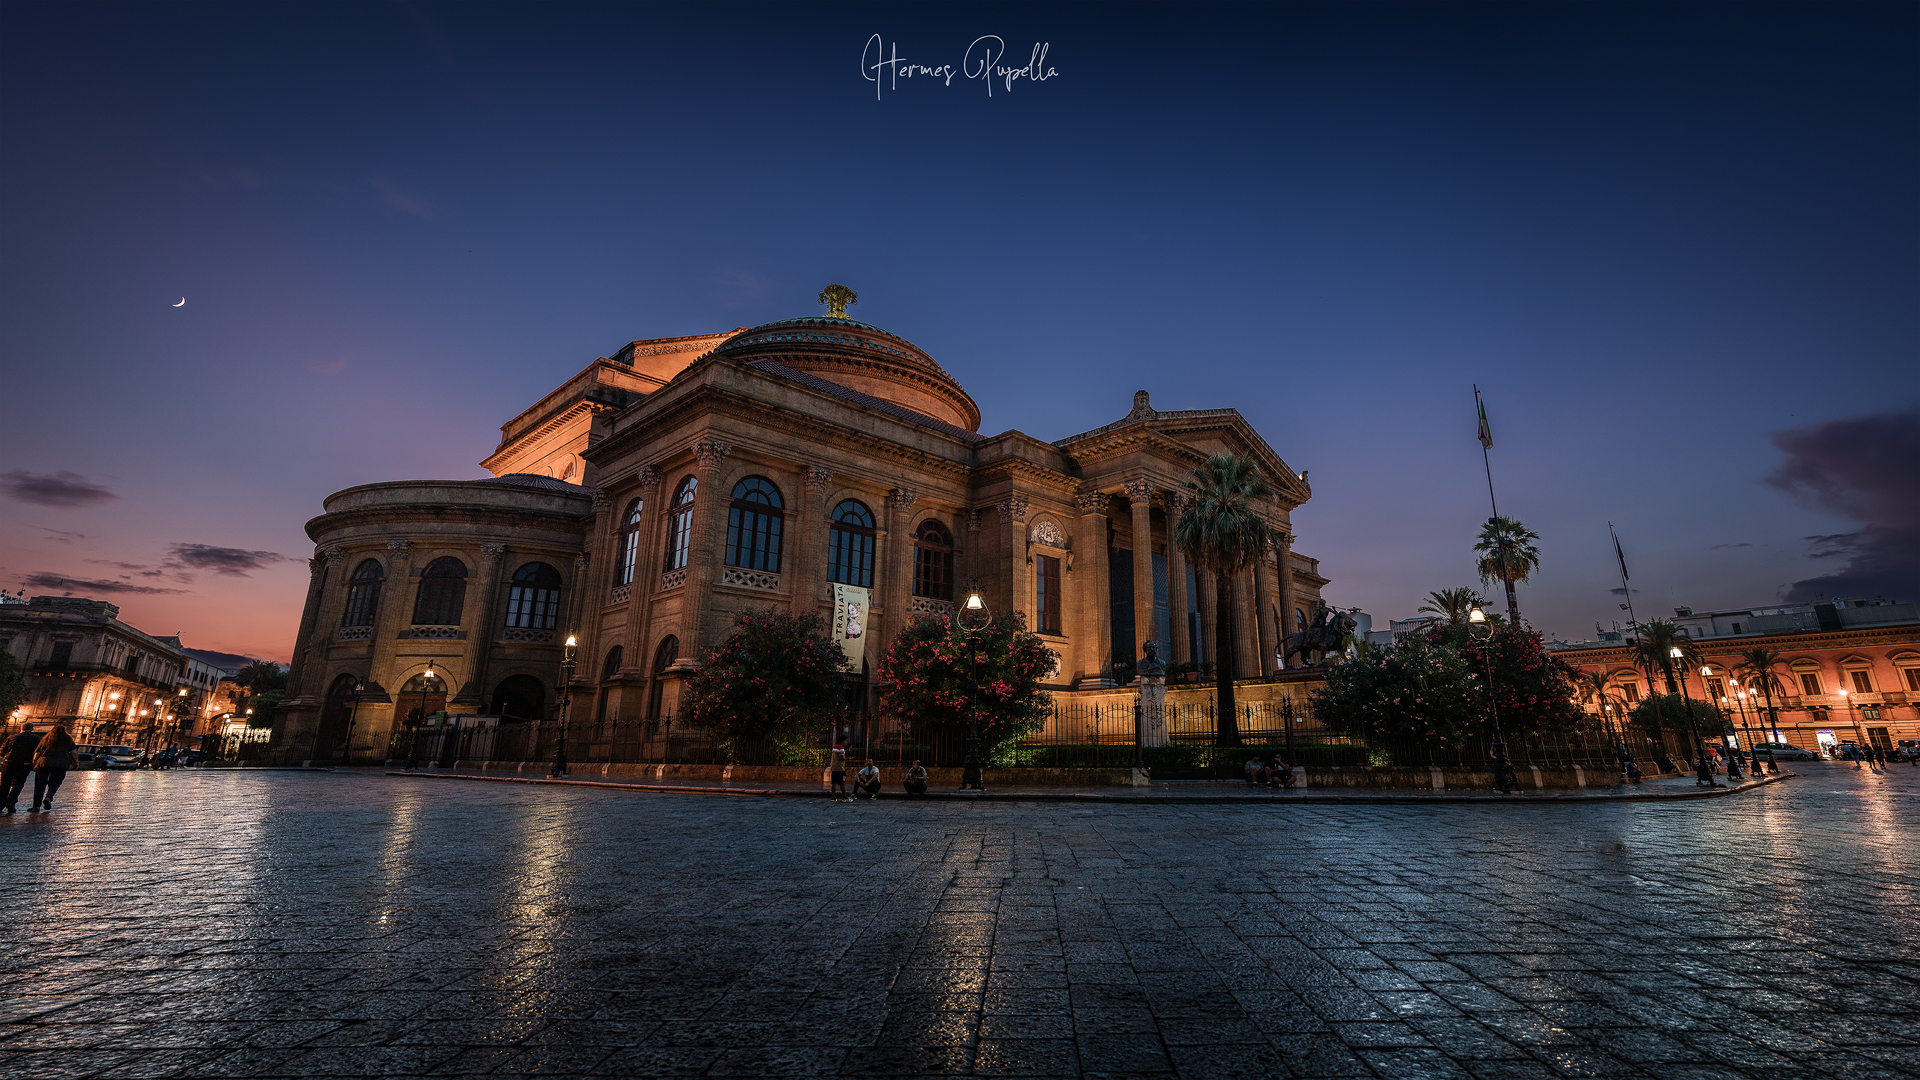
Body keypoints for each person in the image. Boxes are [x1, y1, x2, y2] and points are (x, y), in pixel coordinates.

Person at [31, 725, 78, 812]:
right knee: (56, 783)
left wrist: (35, 763)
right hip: (61, 764)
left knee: (40, 785)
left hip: (43, 763)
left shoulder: (45, 740)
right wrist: (76, 762)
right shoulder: (67, 740)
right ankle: (48, 797)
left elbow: (37, 753)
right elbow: (73, 752)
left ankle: (36, 806)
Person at [1, 725, 39, 814]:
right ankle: (11, 801)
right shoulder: (35, 738)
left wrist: (6, 757)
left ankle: (1, 804)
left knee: (4, 784)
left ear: (20, 729)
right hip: (24, 764)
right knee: (18, 784)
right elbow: (37, 751)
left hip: (9, 762)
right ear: (31, 729)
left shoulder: (11, 737)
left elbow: (2, 751)